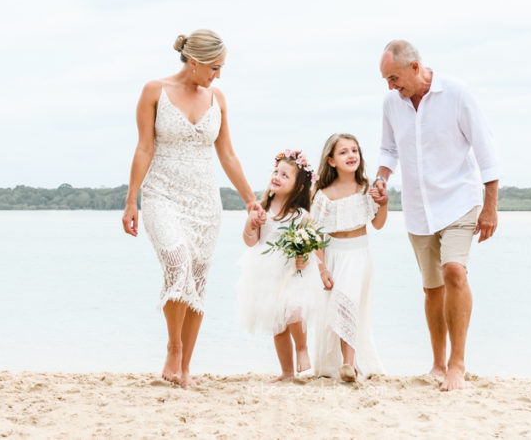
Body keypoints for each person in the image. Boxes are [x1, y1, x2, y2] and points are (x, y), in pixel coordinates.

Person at [121, 29, 262, 388]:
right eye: (215, 67)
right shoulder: (155, 91)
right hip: (162, 195)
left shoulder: (218, 98)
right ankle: (174, 347)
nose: (218, 75)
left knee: (197, 283)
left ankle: (184, 369)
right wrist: (131, 199)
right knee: (179, 265)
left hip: (204, 201)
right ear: (194, 62)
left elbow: (227, 153)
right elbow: (143, 149)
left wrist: (249, 199)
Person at [371, 39, 502, 392]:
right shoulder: (391, 103)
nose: (390, 86)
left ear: (415, 67)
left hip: (459, 200)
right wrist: (381, 178)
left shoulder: (457, 93)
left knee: (454, 272)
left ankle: (458, 365)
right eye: (386, 79)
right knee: (432, 289)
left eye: (394, 77)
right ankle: (438, 364)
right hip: (417, 207)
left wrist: (491, 206)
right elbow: (388, 148)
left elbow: (485, 150)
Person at [237, 150, 322, 382]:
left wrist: (304, 258)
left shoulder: (301, 216)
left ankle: (302, 348)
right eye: (276, 172)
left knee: (295, 311)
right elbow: (251, 242)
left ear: (299, 187)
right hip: (267, 274)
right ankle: (286, 372)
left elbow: (311, 245)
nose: (277, 176)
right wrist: (251, 224)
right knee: (278, 325)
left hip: (293, 273)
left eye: (285, 175)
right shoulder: (261, 210)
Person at [311, 133, 388, 382]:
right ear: (331, 160)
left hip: (359, 253)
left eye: (354, 150)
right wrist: (322, 268)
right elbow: (315, 235)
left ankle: (349, 363)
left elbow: (377, 224)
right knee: (340, 305)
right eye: (343, 152)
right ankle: (343, 363)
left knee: (349, 302)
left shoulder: (367, 189)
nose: (351, 155)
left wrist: (384, 204)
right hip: (334, 253)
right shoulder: (323, 195)